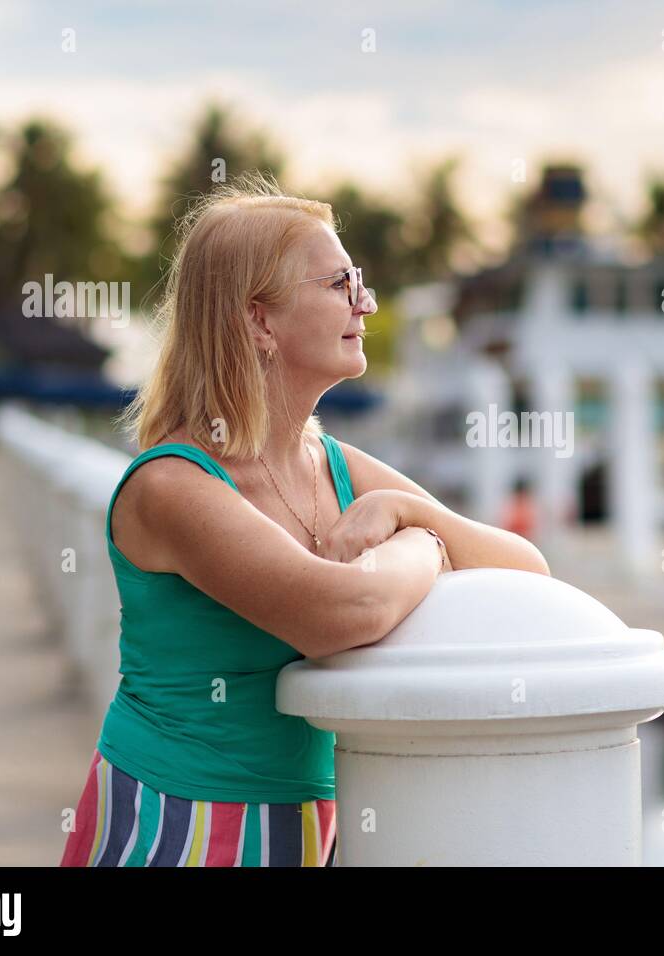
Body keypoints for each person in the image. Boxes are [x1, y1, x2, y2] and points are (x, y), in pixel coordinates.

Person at [60, 172, 550, 866]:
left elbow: (529, 572)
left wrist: (405, 511)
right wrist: (429, 541)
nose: (366, 303)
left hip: (308, 826)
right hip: (179, 824)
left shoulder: (334, 464)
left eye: (361, 282)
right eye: (339, 285)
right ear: (259, 320)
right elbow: (342, 612)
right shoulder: (172, 486)